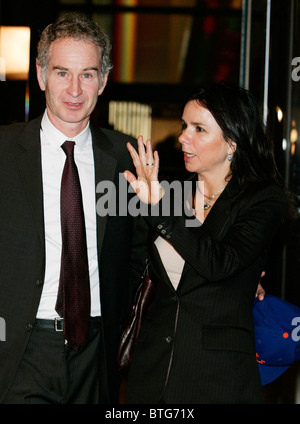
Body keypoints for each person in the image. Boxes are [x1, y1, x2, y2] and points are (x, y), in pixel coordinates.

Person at [0, 13, 146, 404]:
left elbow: (140, 253)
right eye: (63, 73)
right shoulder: (4, 151)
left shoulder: (126, 157)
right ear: (42, 75)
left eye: (88, 74)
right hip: (20, 350)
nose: (75, 89)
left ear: (104, 79)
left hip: (97, 355)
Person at [123, 82, 292, 404]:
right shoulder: (169, 195)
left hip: (217, 376)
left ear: (232, 141)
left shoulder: (262, 199)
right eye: (184, 126)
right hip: (153, 371)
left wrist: (160, 208)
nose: (183, 137)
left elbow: (220, 263)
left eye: (199, 129)